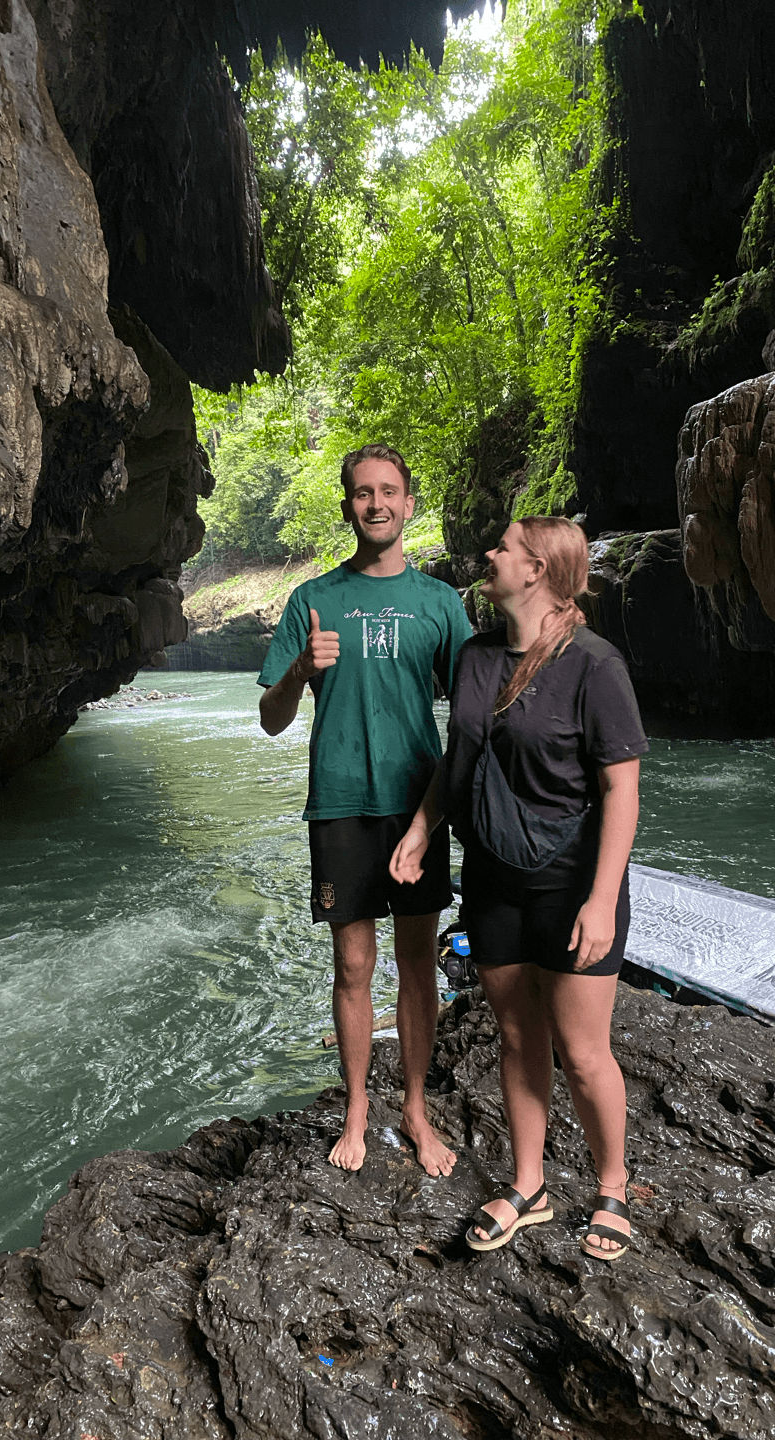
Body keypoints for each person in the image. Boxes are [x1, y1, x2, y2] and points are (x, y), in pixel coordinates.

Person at [390, 516, 647, 1258]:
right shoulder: (475, 657)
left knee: (581, 1046)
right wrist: (421, 827)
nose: (488, 554)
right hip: (493, 879)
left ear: (536, 570)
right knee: (514, 1032)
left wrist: (603, 899)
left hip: (571, 883)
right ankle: (529, 1184)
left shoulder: (595, 666)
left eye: (501, 547)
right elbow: (459, 758)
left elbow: (621, 793)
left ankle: (611, 1185)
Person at [257, 443, 472, 1176]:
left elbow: (475, 717)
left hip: (417, 806)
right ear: (347, 505)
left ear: (409, 505)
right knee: (353, 963)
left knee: (417, 960)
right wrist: (297, 671)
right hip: (341, 803)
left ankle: (414, 1107)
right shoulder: (311, 599)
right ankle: (356, 1106)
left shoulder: (442, 605)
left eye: (389, 492)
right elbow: (271, 720)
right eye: (361, 493)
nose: (375, 503)